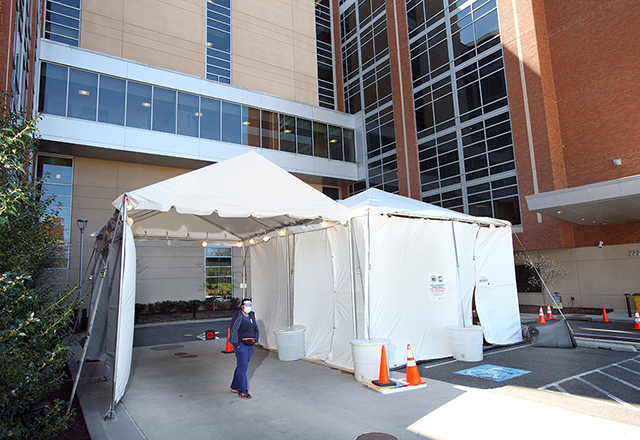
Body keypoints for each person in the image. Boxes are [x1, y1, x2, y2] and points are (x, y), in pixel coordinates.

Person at [229, 298, 259, 399]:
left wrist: (255, 339)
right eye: (246, 305)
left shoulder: (251, 315)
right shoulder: (238, 316)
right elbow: (233, 330)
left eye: (250, 304)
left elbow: (255, 329)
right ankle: (243, 390)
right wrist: (237, 344)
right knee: (243, 368)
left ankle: (234, 386)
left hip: (250, 345)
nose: (248, 306)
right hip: (241, 345)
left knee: (241, 366)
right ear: (242, 306)